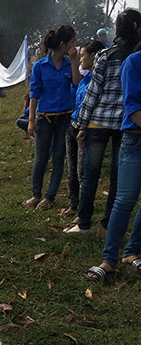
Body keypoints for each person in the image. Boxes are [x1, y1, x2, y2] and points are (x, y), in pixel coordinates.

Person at [65, 10, 141, 235]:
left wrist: (81, 124)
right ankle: (107, 225)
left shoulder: (106, 55)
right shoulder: (135, 56)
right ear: (136, 26)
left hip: (98, 122)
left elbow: (93, 92)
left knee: (90, 176)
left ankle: (84, 223)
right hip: (126, 124)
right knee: (117, 178)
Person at [85, 39, 141, 281]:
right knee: (125, 199)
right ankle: (109, 260)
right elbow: (132, 107)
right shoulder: (133, 62)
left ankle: (132, 252)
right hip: (134, 140)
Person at [22, 25, 81, 211]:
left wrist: (73, 62)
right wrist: (31, 119)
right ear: (63, 44)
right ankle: (36, 194)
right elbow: (35, 93)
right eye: (72, 43)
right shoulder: (40, 66)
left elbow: (77, 84)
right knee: (41, 159)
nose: (74, 46)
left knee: (58, 158)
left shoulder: (69, 65)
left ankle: (49, 196)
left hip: (64, 118)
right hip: (44, 118)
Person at [62, 40, 105, 218]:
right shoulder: (85, 78)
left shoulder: (98, 81)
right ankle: (74, 204)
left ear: (93, 56)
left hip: (84, 130)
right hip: (72, 127)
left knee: (82, 173)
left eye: (82, 56)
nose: (80, 60)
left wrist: (85, 127)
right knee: (72, 169)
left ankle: (83, 213)